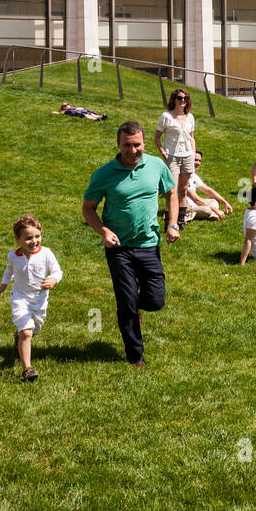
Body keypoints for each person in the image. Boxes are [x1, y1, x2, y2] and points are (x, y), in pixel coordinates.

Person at [82, 120, 179, 367]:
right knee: (126, 302)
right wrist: (103, 231)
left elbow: (171, 193)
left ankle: (136, 307)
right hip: (118, 248)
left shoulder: (156, 166)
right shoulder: (104, 174)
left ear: (144, 143)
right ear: (118, 144)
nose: (133, 150)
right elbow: (88, 209)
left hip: (148, 244)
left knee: (156, 301)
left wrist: (172, 224)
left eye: (137, 145)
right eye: (128, 145)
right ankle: (135, 356)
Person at [0, 213, 63, 382]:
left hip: (39, 299)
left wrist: (52, 280)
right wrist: (3, 285)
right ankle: (27, 369)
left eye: (37, 236)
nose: (34, 241)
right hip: (20, 298)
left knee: (34, 329)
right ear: (17, 239)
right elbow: (9, 270)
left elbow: (57, 271)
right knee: (26, 331)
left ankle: (20, 340)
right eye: (28, 238)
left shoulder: (46, 254)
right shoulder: (13, 256)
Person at [155, 90, 196, 228]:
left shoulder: (190, 117)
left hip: (187, 156)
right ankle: (168, 221)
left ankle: (181, 220)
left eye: (185, 98)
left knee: (183, 189)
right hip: (172, 156)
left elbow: (191, 137)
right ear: (174, 99)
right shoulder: (166, 116)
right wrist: (163, 152)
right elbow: (156, 137)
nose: (183, 100)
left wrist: (193, 153)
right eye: (180, 98)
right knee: (171, 189)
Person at [184, 149, 234, 221]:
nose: (198, 163)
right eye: (195, 160)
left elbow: (208, 190)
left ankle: (211, 214)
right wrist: (216, 210)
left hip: (194, 205)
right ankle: (211, 214)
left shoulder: (193, 175)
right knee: (206, 210)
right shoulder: (183, 176)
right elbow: (195, 198)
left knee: (214, 201)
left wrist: (225, 202)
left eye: (199, 161)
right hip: (185, 207)